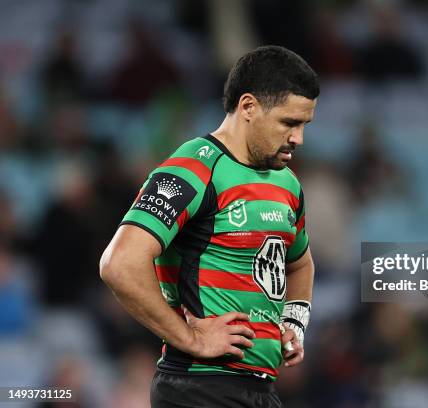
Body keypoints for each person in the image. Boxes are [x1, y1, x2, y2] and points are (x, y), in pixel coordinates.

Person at [100, 45, 319, 407]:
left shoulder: (286, 183)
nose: (298, 138)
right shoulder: (194, 168)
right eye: (289, 123)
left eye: (304, 125)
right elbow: (119, 264)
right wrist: (189, 338)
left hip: (260, 390)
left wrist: (294, 322)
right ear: (248, 107)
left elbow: (299, 262)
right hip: (200, 387)